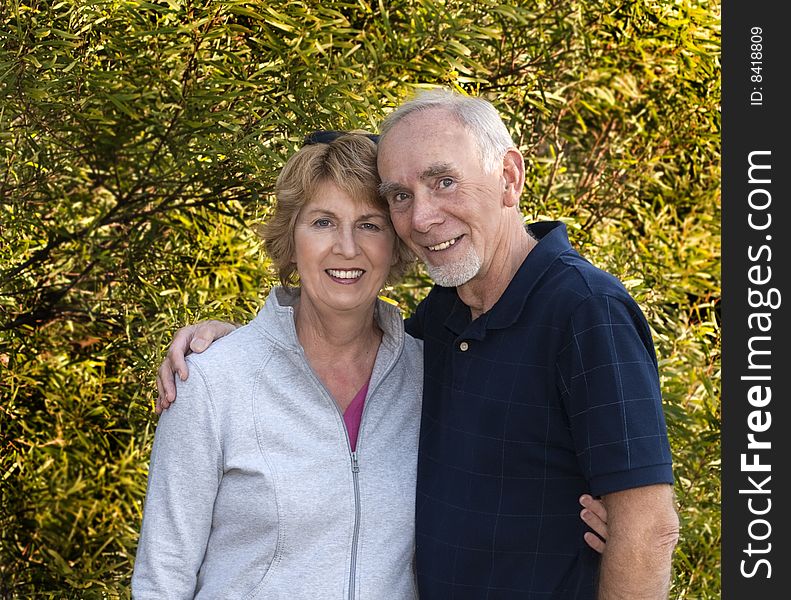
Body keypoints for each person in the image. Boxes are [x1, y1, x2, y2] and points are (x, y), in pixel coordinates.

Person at [157, 89, 676, 599]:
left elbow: (649, 528)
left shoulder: (586, 311)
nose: (423, 218)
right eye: (402, 196)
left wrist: (633, 539)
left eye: (444, 182)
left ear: (509, 179)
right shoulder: (439, 326)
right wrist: (231, 346)